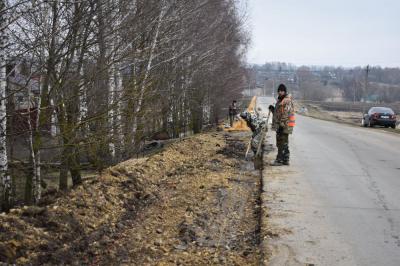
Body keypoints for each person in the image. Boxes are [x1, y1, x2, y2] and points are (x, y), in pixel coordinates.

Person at [269, 84, 295, 166]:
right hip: (282, 125)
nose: (280, 92)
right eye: (279, 91)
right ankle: (285, 159)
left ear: (285, 91)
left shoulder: (286, 101)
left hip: (284, 125)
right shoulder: (280, 100)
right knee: (284, 143)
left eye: (282, 91)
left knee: (281, 143)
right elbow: (279, 114)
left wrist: (281, 125)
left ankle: (279, 160)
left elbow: (285, 114)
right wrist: (273, 110)